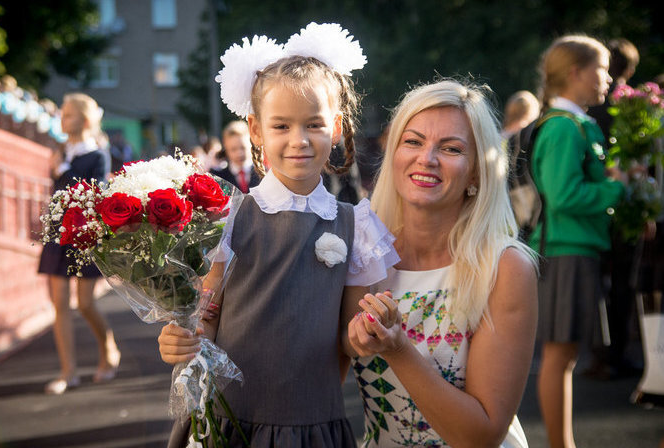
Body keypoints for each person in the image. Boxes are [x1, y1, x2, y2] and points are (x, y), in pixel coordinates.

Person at [157, 23, 399, 447]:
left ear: (337, 127)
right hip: (231, 422)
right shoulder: (228, 219)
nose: (299, 140)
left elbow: (348, 338)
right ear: (255, 130)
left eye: (314, 124)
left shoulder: (355, 225)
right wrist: (181, 340)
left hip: (312, 424)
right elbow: (205, 319)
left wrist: (368, 331)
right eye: (281, 126)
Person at [345, 80, 538, 447]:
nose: (427, 158)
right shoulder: (361, 254)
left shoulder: (506, 268)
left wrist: (397, 348)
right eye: (413, 141)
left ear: (477, 171)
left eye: (450, 148)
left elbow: (480, 436)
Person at [529, 35, 626, 448]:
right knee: (559, 354)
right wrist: (615, 190)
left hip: (574, 248)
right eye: (602, 69)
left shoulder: (573, 124)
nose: (608, 79)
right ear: (576, 73)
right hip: (565, 250)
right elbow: (563, 195)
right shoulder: (564, 128)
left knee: (565, 355)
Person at [37, 93, 120, 395]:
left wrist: (62, 170)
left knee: (85, 303)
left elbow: (92, 193)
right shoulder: (60, 151)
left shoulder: (97, 155)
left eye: (69, 114)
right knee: (59, 305)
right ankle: (68, 373)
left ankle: (108, 348)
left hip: (84, 236)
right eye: (62, 112)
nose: (62, 117)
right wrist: (59, 168)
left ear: (84, 121)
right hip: (57, 234)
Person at [586, 38, 642, 381]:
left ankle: (598, 354)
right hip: (624, 207)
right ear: (632, 69)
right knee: (623, 282)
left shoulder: (590, 110)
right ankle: (618, 352)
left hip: (594, 208)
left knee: (597, 283)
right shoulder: (637, 108)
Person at [209, 120, 260, 193]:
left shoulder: (264, 174)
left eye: (243, 147)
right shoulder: (219, 178)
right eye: (233, 149)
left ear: (251, 145)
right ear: (226, 149)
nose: (239, 153)